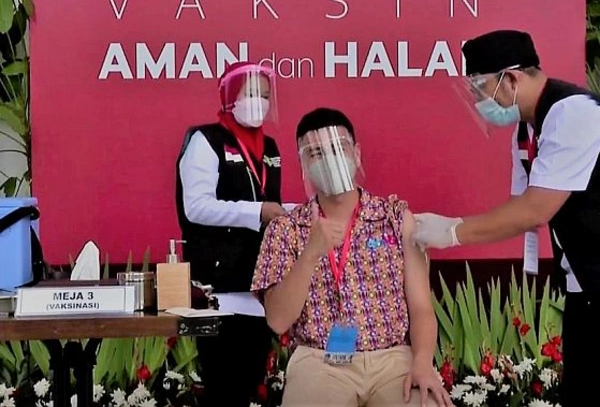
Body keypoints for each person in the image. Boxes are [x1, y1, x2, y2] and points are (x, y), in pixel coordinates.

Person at [413, 30, 600, 407]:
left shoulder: (573, 113)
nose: (479, 100)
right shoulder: (526, 130)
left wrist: (452, 231)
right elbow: (519, 210)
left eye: (480, 88)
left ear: (511, 78)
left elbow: (534, 210)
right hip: (582, 283)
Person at [251, 108, 453, 407]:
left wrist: (422, 363)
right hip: (319, 360)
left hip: (393, 360)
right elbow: (278, 320)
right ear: (303, 163)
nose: (329, 160)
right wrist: (311, 253)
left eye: (338, 148)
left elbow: (422, 308)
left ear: (356, 154)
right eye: (316, 153)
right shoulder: (285, 229)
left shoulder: (396, 218)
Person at [175, 61, 286, 407]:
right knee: (223, 386)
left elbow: (272, 204)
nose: (259, 102)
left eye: (265, 95)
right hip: (218, 285)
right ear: (230, 97)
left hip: (260, 284)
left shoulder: (270, 148)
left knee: (251, 380)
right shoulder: (206, 141)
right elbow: (196, 207)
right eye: (251, 94)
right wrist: (256, 212)